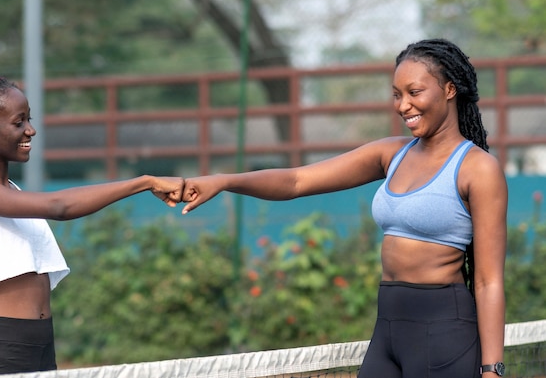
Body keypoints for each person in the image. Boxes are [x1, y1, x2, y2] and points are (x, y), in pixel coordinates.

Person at [181, 39, 507, 378]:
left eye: (415, 92)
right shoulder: (392, 154)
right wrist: (223, 181)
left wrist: (492, 369)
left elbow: (488, 281)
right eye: (396, 95)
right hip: (388, 331)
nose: (403, 105)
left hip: (444, 332)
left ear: (450, 89)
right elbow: (296, 181)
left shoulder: (478, 169)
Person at [0, 74, 184, 377]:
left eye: (29, 119)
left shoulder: (12, 192)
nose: (30, 130)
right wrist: (144, 182)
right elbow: (58, 207)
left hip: (41, 349)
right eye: (18, 122)